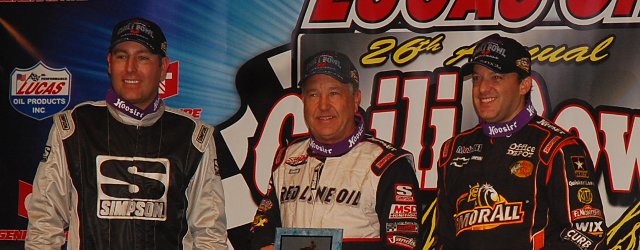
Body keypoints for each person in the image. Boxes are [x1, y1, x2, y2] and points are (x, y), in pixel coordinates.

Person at [25, 17, 228, 249]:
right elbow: (44, 222)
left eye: (143, 58)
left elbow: (209, 233)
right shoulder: (74, 128)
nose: (130, 68)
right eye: (122, 56)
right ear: (109, 63)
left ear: (163, 68)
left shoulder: (194, 136)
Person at [435, 34, 606, 249]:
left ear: (524, 85)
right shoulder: (453, 151)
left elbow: (589, 233)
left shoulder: (557, 148)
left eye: (496, 77)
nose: (482, 88)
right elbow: (443, 240)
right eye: (477, 78)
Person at [250, 51, 420, 249]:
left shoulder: (388, 164)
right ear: (303, 100)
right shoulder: (287, 158)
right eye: (314, 94)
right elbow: (262, 227)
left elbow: (404, 244)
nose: (323, 105)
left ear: (355, 99)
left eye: (334, 93)